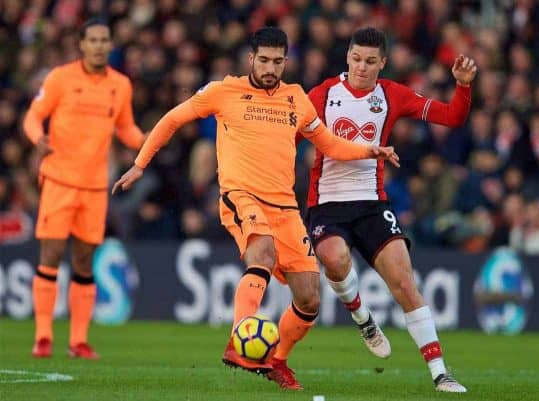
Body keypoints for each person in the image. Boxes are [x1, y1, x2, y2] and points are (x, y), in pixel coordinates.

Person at [112, 27, 399, 390]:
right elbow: (172, 119)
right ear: (251, 59)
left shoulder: (296, 98)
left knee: (309, 296)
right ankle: (239, 341)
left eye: (277, 61)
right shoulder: (224, 91)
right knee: (260, 252)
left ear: (285, 62)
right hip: (242, 196)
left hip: (285, 207)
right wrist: (140, 164)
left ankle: (277, 359)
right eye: (263, 60)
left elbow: (329, 143)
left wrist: (370, 150)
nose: (270, 67)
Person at [303, 27, 477, 393]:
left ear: (383, 63)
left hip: (371, 203)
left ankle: (440, 372)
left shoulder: (392, 95)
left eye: (369, 61)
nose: (361, 68)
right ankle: (362, 317)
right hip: (327, 204)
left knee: (404, 283)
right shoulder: (322, 95)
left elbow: (452, 117)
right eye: (355, 59)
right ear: (347, 57)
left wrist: (462, 86)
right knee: (334, 260)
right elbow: (290, 134)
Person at [23, 18, 146, 359]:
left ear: (110, 44)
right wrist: (39, 139)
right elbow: (32, 117)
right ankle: (43, 337)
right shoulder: (60, 78)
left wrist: (147, 142)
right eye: (92, 39)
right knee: (50, 255)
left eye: (104, 39)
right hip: (59, 180)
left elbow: (126, 129)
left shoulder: (120, 85)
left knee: (83, 260)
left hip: (94, 186)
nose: (99, 45)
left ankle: (78, 341)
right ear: (81, 44)